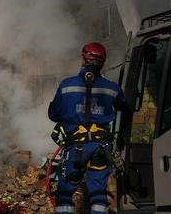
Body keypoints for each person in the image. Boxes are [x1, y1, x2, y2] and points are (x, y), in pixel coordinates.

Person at [48, 42, 127, 214]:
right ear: (103, 63)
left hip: (75, 147)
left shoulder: (67, 85)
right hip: (101, 147)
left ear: (83, 60)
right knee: (98, 192)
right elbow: (124, 106)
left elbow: (53, 114)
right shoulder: (112, 88)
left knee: (65, 192)